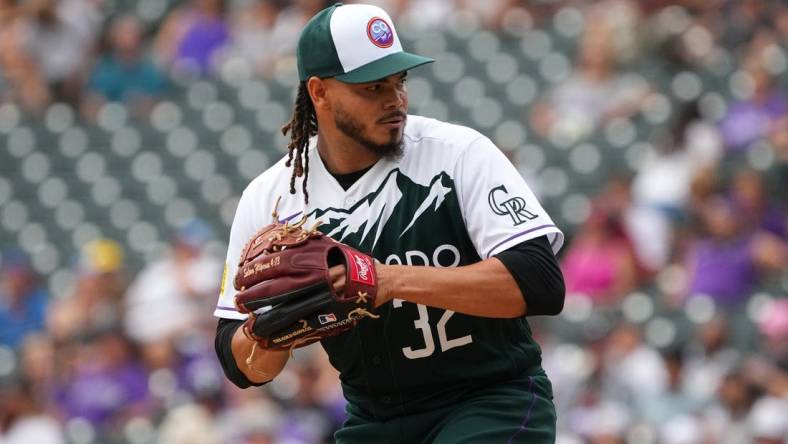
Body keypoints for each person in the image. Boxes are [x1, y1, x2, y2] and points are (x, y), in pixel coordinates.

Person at [214, 3, 566, 442]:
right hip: (376, 418)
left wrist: (386, 280)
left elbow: (540, 283)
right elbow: (240, 366)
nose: (394, 100)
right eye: (372, 87)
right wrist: (269, 334)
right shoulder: (270, 198)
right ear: (319, 92)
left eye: (399, 82)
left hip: (489, 398)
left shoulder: (456, 154)